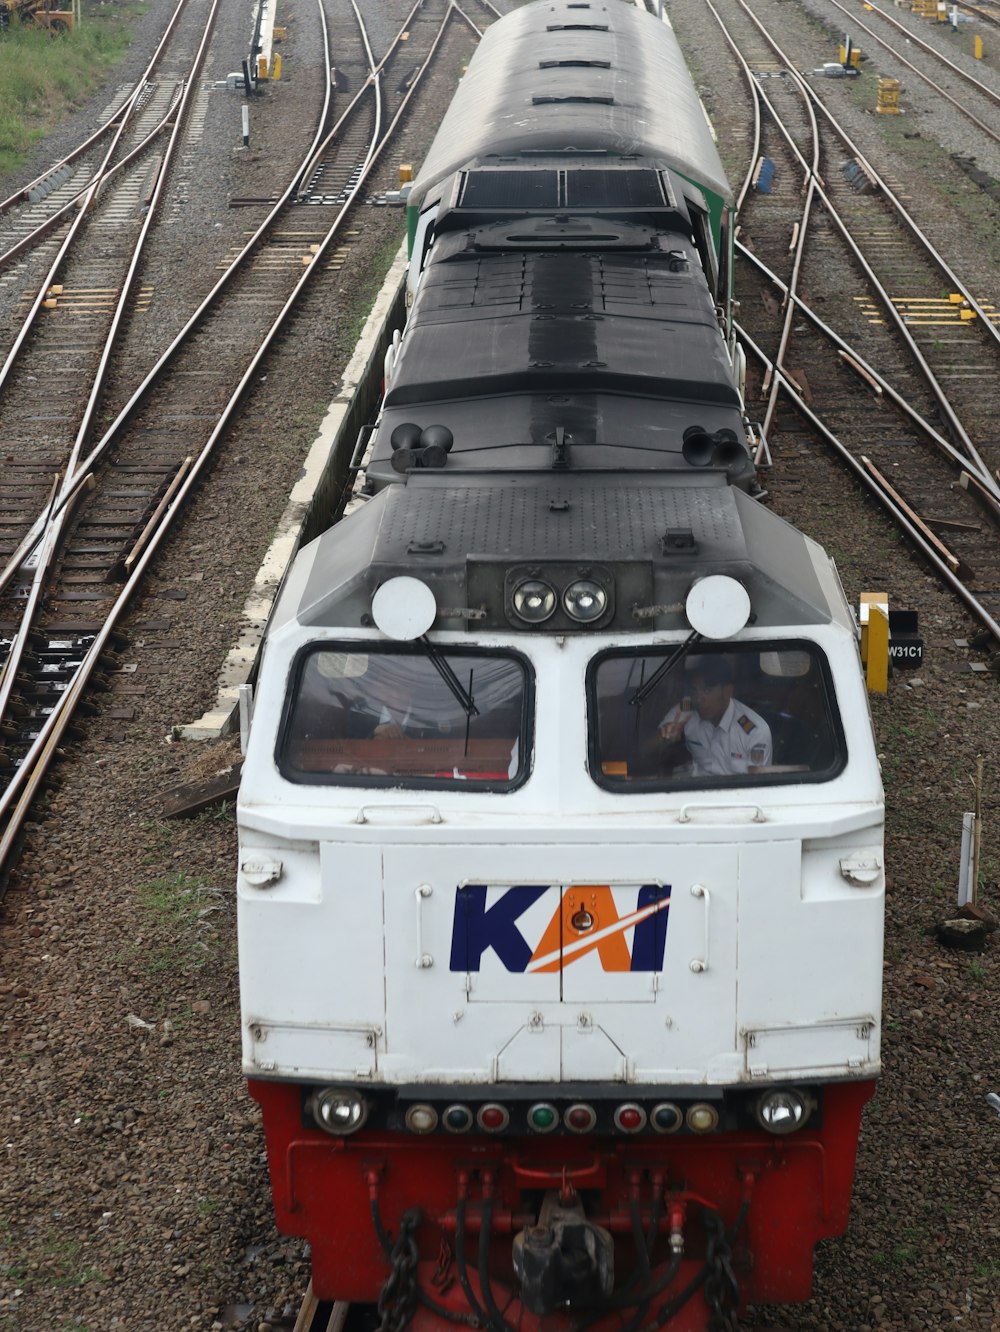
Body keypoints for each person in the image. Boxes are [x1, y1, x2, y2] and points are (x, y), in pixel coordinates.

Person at [658, 656, 772, 777]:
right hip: (695, 791)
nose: (698, 699)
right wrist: (666, 736)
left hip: (736, 794)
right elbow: (650, 746)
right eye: (694, 690)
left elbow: (755, 785)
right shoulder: (687, 710)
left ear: (728, 691)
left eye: (707, 691)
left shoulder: (755, 731)